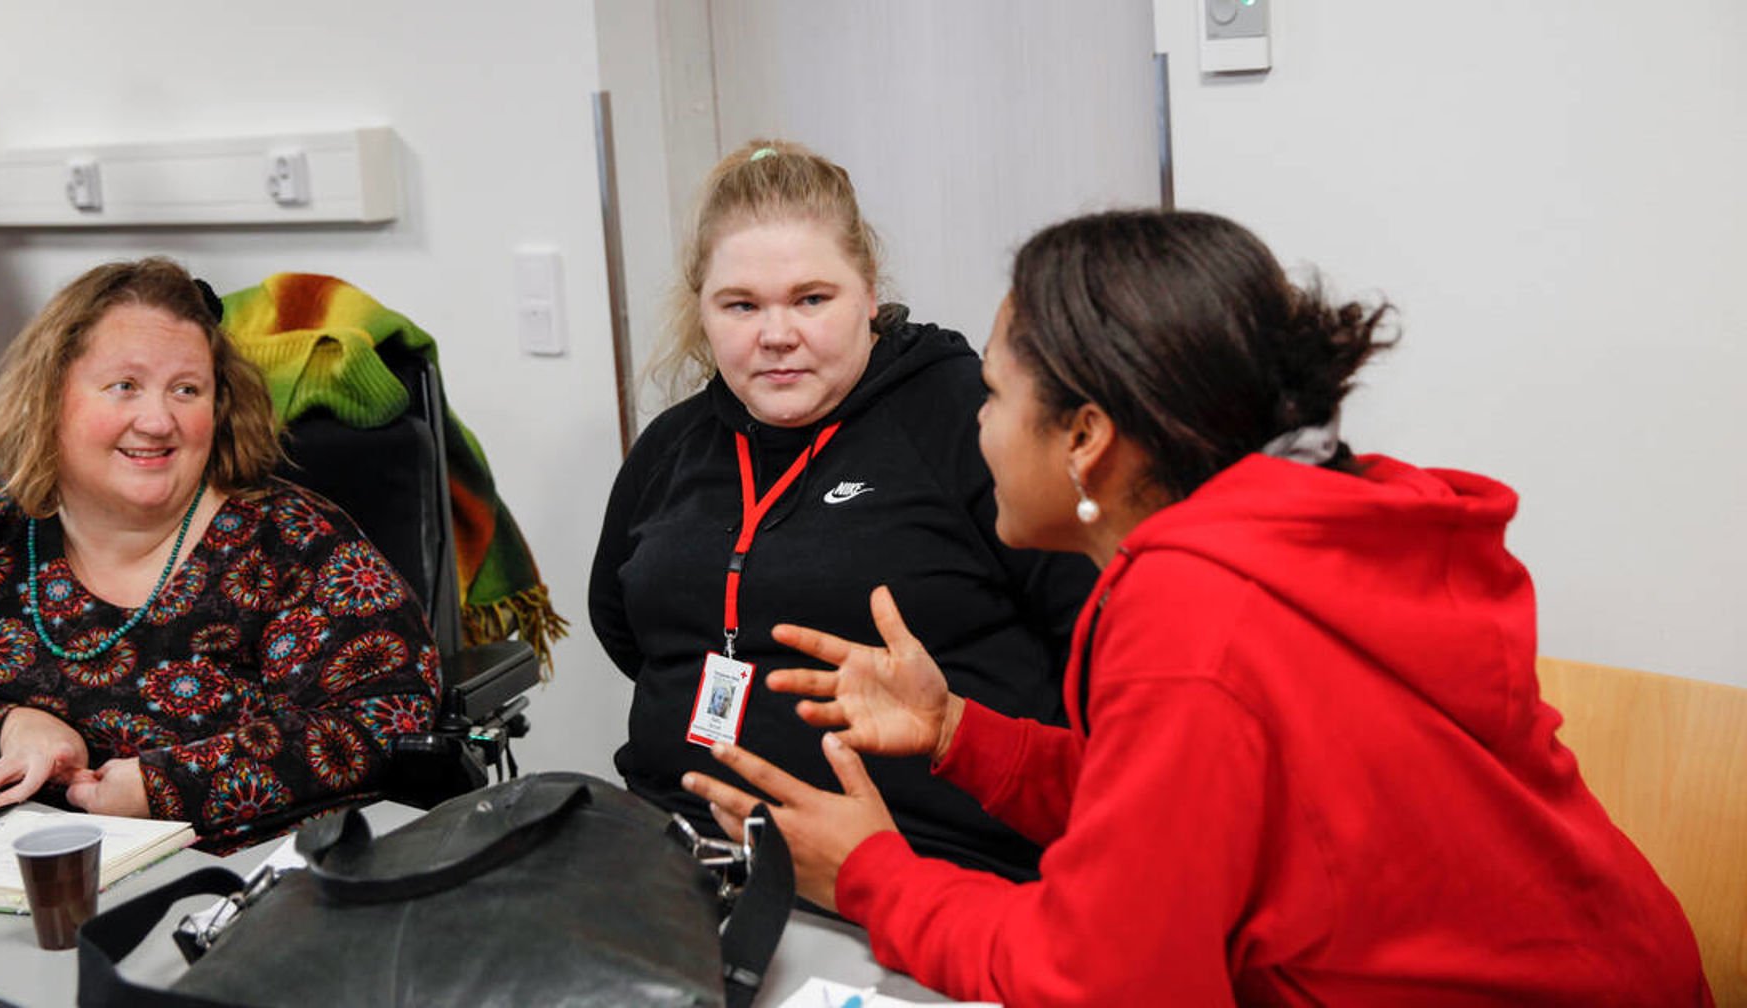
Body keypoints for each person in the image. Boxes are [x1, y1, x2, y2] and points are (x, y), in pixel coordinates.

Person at [684, 210, 1711, 1004]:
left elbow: (1100, 985)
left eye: (993, 398)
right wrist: (959, 733)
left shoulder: (1194, 612)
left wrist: (870, 872)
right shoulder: (1302, 526)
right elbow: (1194, 810)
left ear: (1085, 437)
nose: (978, 429)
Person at [590, 140, 1094, 880]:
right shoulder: (673, 446)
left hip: (925, 868)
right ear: (702, 309)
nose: (776, 335)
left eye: (811, 299)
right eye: (740, 306)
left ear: (869, 291)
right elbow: (623, 627)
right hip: (680, 856)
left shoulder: (968, 421)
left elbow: (1088, 640)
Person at [0, 258, 440, 851]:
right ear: (51, 397)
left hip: (217, 890)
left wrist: (169, 787)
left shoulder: (290, 542)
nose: (158, 420)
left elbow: (389, 715)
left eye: (187, 389)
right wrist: (10, 729)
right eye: (124, 386)